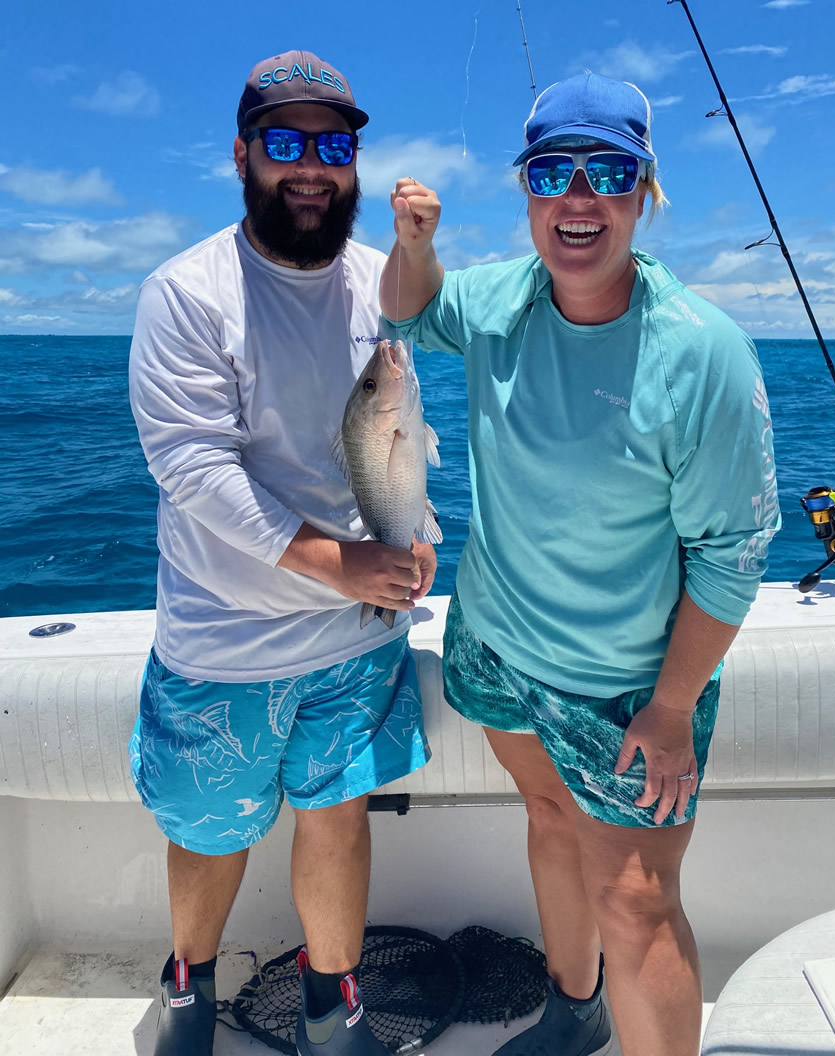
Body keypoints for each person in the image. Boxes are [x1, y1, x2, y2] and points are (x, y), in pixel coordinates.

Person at [380, 73, 780, 1056]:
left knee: (638, 904)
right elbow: (407, 310)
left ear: (644, 191)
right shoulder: (493, 303)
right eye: (552, 170)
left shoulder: (701, 353)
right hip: (495, 650)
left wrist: (674, 707)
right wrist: (415, 246)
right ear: (525, 189)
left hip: (625, 690)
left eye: (608, 171)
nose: (578, 195)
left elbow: (732, 561)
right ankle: (572, 1008)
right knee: (549, 817)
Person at [128, 49, 435, 1056]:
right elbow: (190, 464)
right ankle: (189, 989)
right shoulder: (188, 291)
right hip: (227, 641)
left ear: (355, 160)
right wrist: (338, 566)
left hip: (354, 643)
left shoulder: (373, 288)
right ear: (242, 155)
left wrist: (413, 541)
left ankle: (331, 1000)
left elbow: (395, 443)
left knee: (337, 821)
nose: (311, 165)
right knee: (208, 836)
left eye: (333, 144)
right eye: (285, 143)